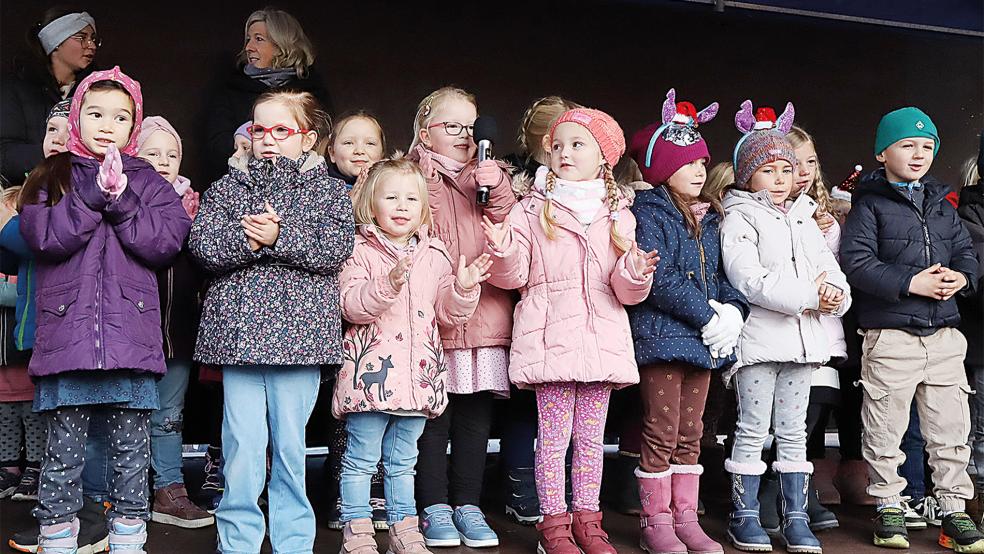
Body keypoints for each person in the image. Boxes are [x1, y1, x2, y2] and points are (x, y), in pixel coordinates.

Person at [18, 66, 191, 554]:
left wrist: (122, 199)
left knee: (132, 450)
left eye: (120, 116)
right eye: (95, 114)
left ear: (134, 124)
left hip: (128, 338)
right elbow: (44, 237)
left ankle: (129, 536)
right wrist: (94, 193)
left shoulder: (147, 181)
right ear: (77, 116)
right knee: (63, 450)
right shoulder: (51, 175)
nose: (107, 125)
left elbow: (166, 242)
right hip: (67, 337)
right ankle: (58, 536)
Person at [482, 107, 658, 554]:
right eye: (557, 145)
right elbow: (515, 276)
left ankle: (588, 521)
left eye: (578, 144)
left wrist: (635, 272)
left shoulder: (618, 214)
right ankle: (554, 526)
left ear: (604, 157)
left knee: (591, 442)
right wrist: (502, 252)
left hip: (600, 342)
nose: (564, 153)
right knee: (554, 440)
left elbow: (624, 291)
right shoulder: (530, 209)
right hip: (551, 341)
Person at [189, 90, 354, 553]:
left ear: (308, 139)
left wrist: (280, 235)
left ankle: (293, 541)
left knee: (289, 449)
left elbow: (335, 248)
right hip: (238, 340)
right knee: (241, 447)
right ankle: (237, 540)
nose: (268, 139)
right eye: (259, 129)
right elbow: (202, 246)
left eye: (281, 130)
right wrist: (248, 243)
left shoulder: (327, 191)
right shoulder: (227, 187)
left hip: (299, 342)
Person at [840, 107, 982, 551]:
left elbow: (966, 253)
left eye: (927, 146)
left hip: (944, 335)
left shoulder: (941, 204)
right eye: (906, 145)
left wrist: (962, 277)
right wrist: (910, 282)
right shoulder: (870, 204)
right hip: (891, 335)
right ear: (882, 153)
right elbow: (857, 263)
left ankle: (953, 510)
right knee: (886, 426)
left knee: (951, 429)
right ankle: (888, 505)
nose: (919, 154)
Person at [333, 157, 492, 554]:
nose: (402, 206)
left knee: (404, 461)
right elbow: (351, 305)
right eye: (391, 197)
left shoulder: (434, 254)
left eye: (411, 199)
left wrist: (464, 289)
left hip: (418, 379)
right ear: (371, 205)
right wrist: (386, 285)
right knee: (360, 459)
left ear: (423, 208)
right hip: (370, 379)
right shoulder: (357, 250)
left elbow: (448, 314)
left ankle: (403, 530)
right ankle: (357, 532)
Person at [721, 101, 850, 554]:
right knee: (753, 429)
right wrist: (811, 296)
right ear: (747, 175)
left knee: (794, 432)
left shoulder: (803, 217)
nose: (780, 179)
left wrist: (834, 294)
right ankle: (745, 515)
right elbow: (749, 279)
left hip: (803, 346)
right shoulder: (739, 216)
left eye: (786, 170)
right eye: (768, 170)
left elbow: (829, 268)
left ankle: (795, 516)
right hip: (760, 345)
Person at [627, 89, 748, 554]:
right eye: (688, 163)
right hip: (663, 339)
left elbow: (725, 274)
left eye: (702, 162)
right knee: (661, 428)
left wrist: (733, 311)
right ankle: (655, 521)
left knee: (692, 432)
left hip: (703, 343)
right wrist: (708, 314)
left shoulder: (711, 216)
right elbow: (660, 278)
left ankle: (685, 517)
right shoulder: (648, 212)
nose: (700, 170)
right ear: (662, 170)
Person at [406, 86, 515, 548]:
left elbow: (508, 216)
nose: (465, 136)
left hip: (485, 314)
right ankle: (433, 506)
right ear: (425, 131)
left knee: (475, 417)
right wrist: (429, 178)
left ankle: (468, 504)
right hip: (433, 317)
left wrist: (497, 183)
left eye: (472, 127)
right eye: (452, 126)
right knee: (433, 419)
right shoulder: (410, 174)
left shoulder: (489, 175)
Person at [133, 115, 213, 529]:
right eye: (152, 153)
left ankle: (169, 488)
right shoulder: (122, 201)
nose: (163, 161)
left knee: (169, 413)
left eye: (172, 154)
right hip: (132, 333)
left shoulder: (195, 206)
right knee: (125, 411)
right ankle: (124, 490)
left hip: (178, 330)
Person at [203, 7, 333, 184]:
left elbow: (325, 140)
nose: (248, 48)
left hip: (302, 182)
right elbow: (216, 144)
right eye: (248, 40)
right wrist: (241, 141)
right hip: (244, 182)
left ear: (282, 45)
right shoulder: (232, 88)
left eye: (258, 39)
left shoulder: (311, 89)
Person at [1, 8, 99, 185]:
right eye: (81, 38)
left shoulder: (96, 90)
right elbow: (4, 154)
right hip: (27, 188)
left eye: (93, 39)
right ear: (56, 41)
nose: (91, 45)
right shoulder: (14, 88)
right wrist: (50, 152)